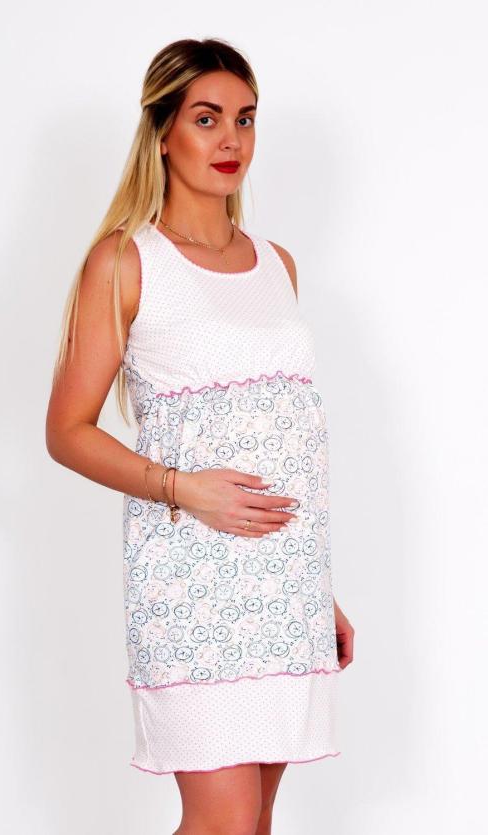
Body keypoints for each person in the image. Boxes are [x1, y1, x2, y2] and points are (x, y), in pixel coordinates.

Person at [46, 36, 354, 835]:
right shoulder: (125, 262)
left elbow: (277, 435)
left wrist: (314, 587)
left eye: (245, 120)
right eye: (206, 118)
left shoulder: (275, 264)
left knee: (254, 823)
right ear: (162, 132)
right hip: (189, 585)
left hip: (282, 589)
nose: (230, 140)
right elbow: (66, 431)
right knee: (222, 821)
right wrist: (183, 488)